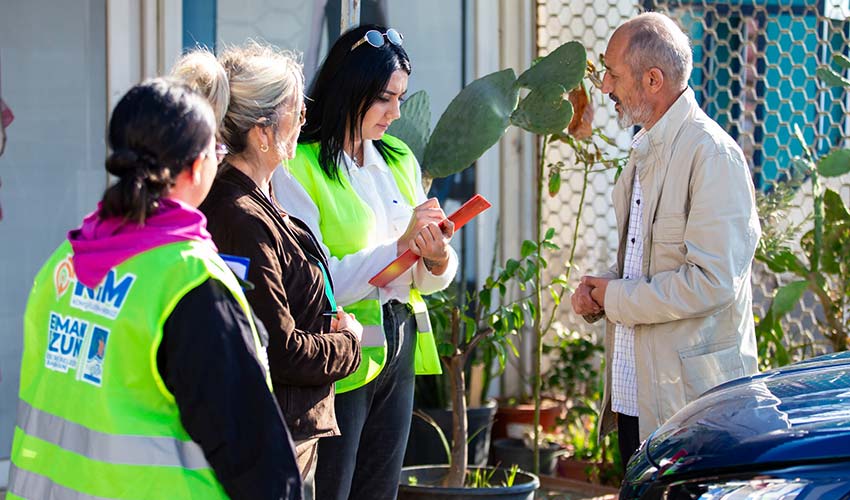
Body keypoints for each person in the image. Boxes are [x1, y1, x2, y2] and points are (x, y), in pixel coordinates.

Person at [8, 78, 301, 499]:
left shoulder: (62, 264)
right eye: (216, 151)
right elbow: (256, 459)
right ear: (196, 168)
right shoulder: (187, 283)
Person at [274, 25, 458, 500]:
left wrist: (436, 259)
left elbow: (428, 275)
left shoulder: (398, 157)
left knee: (380, 488)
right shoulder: (298, 166)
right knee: (332, 488)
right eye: (383, 98)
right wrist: (400, 249)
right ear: (348, 90)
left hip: (399, 345)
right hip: (337, 352)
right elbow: (315, 281)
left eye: (401, 98)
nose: (396, 113)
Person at [570, 12, 761, 463]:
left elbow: (712, 282)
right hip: (641, 402)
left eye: (613, 74)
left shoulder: (712, 156)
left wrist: (615, 296)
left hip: (696, 412)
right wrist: (604, 290)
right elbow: (648, 268)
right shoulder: (645, 149)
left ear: (652, 79)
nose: (604, 87)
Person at [190, 43, 364, 499]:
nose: (305, 118)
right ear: (262, 133)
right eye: (295, 109)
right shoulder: (240, 216)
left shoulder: (254, 202)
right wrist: (348, 343)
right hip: (270, 439)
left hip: (277, 432)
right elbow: (277, 348)